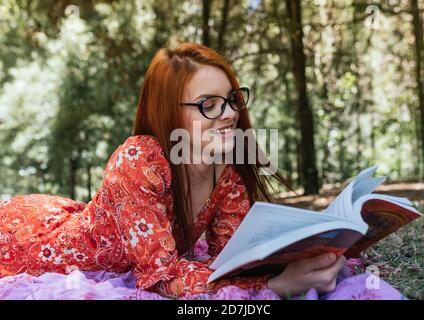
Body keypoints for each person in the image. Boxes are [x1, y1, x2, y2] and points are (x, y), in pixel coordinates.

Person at [0, 43, 346, 299]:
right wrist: (273, 286)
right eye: (208, 104)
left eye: (232, 99)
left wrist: (303, 256)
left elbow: (234, 260)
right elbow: (162, 279)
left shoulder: (227, 172)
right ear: (169, 113)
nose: (228, 114)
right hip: (31, 241)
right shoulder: (137, 162)